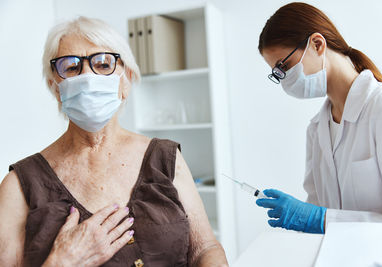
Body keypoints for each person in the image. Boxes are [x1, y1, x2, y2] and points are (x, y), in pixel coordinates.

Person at [0, 16, 228, 266]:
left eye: (103, 63)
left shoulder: (165, 158)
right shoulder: (18, 185)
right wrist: (61, 261)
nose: (87, 76)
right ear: (56, 88)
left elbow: (205, 248)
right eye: (71, 67)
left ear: (126, 80)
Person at [255, 2, 382, 234]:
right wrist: (310, 217)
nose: (284, 79)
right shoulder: (316, 129)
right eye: (278, 73)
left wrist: (321, 219)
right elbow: (316, 212)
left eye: (284, 66)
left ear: (317, 44)